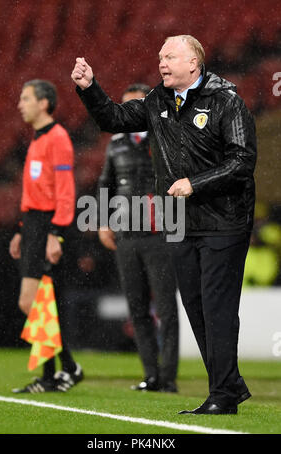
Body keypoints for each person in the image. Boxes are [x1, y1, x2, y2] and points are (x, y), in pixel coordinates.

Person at [71, 34, 257, 415]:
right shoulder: (158, 101)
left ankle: (222, 395)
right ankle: (230, 384)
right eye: (160, 57)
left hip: (224, 221)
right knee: (195, 306)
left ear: (194, 63)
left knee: (217, 307)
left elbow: (242, 162)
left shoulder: (226, 101)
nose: (162, 62)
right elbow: (114, 119)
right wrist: (90, 88)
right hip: (181, 222)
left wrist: (195, 183)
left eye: (170, 56)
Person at [97, 83, 179, 393]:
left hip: (161, 233)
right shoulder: (116, 142)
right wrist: (103, 222)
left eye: (135, 106)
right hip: (127, 235)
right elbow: (106, 183)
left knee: (167, 308)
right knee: (137, 307)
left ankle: (168, 378)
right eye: (125, 108)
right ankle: (151, 375)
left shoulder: (167, 136)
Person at [9, 79, 83, 393]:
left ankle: (56, 372)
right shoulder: (37, 140)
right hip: (34, 225)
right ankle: (64, 368)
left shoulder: (58, 138)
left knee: (36, 303)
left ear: (43, 103)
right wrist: (22, 231)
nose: (19, 104)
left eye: (26, 98)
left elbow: (66, 192)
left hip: (49, 225)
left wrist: (56, 234)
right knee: (35, 304)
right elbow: (36, 191)